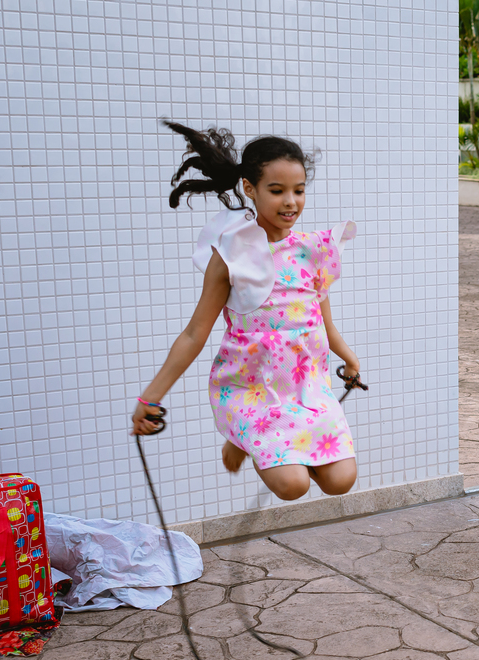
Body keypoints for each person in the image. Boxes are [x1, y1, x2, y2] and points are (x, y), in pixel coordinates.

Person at [132, 121, 361, 502]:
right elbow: (194, 333)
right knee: (293, 486)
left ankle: (250, 444)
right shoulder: (231, 256)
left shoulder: (314, 250)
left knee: (341, 481)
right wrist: (150, 398)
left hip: (306, 387)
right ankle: (244, 439)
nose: (291, 202)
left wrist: (349, 359)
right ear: (250, 189)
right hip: (254, 389)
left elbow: (323, 324)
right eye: (277, 191)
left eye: (299, 191)